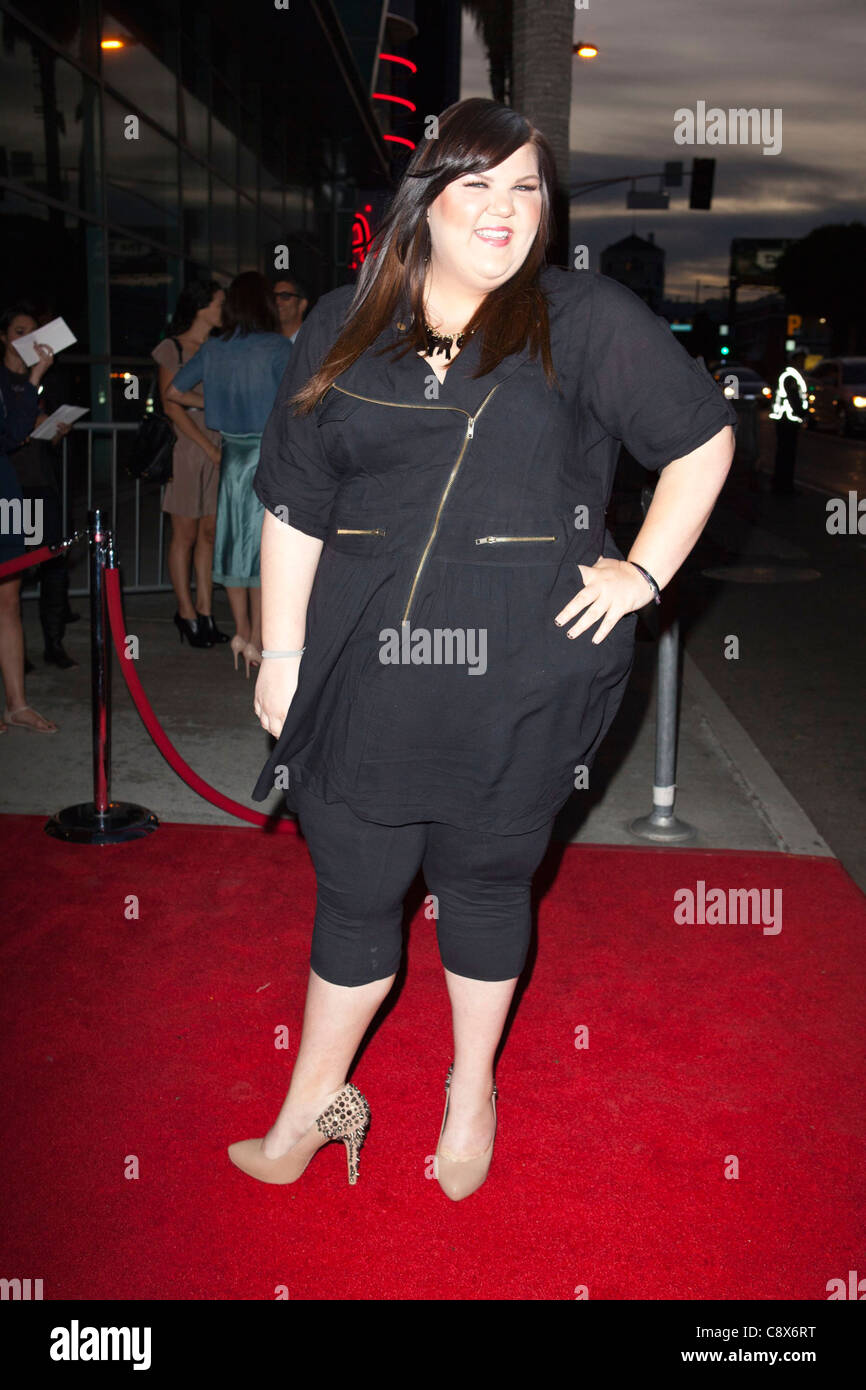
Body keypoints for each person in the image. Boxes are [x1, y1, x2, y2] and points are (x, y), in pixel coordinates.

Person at [229, 97, 736, 1201]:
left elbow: (700, 443)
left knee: (484, 879)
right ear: (425, 198)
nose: (505, 210)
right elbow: (294, 503)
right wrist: (280, 653)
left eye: (525, 189)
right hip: (360, 667)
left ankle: (471, 1088)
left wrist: (642, 571)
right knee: (354, 885)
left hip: (523, 674)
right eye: (477, 186)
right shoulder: (341, 320)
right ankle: (312, 1104)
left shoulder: (583, 316)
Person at [167, 272, 292, 676]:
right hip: (266, 456)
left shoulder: (215, 348)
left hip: (231, 455)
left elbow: (173, 392)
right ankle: (257, 637)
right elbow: (296, 401)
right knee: (262, 552)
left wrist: (212, 402)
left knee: (233, 547)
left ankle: (241, 632)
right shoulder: (276, 346)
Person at [152, 280, 228, 648]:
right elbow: (170, 405)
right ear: (201, 306)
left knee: (209, 534)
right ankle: (185, 612)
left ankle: (205, 610)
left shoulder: (218, 347)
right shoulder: (172, 348)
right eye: (218, 302)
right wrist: (206, 447)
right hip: (186, 447)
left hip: (216, 442)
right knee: (183, 534)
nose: (223, 309)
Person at [1, 303, 77, 668]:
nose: (27, 339)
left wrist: (54, 431)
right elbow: (14, 432)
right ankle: (16, 653)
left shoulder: (41, 379)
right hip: (11, 490)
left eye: (33, 332)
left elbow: (36, 431)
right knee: (14, 575)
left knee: (52, 561)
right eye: (19, 331)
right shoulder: (6, 381)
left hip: (41, 482)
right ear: (3, 336)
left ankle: (53, 643)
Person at [0, 336, 58, 732]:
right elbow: (14, 432)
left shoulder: (16, 383)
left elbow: (18, 432)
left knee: (9, 599)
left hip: (9, 491)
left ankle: (17, 704)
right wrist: (37, 375)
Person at [769, 351, 809, 495]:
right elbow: (793, 398)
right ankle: (784, 486)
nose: (802, 363)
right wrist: (803, 414)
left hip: (787, 420)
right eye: (800, 360)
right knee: (786, 454)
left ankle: (781, 484)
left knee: (784, 453)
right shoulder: (789, 377)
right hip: (787, 420)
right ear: (793, 361)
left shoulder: (791, 375)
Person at [272, 276, 309, 341]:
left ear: (302, 304)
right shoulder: (267, 342)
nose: (277, 302)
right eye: (273, 297)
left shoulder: (312, 340)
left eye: (285, 296)